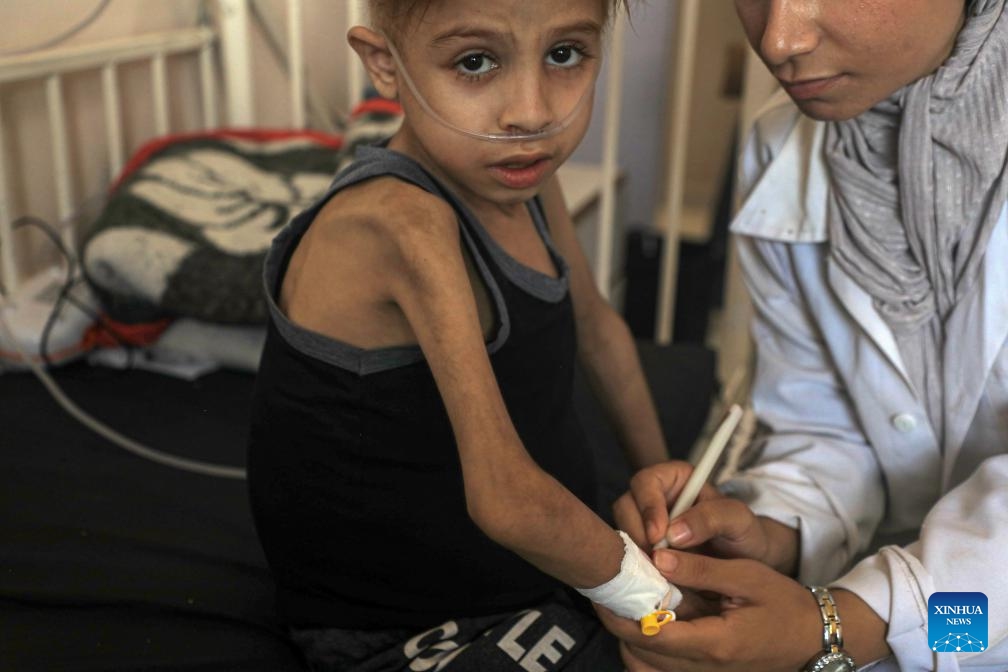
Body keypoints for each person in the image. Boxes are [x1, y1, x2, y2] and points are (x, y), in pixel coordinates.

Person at [246, 1, 679, 669]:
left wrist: (668, 509)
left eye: (565, 54)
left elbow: (597, 328)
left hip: (537, 573)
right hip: (412, 628)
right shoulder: (401, 222)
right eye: (475, 63)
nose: (532, 113)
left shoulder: (526, 178)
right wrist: (659, 596)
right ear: (385, 66)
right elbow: (505, 498)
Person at [599, 0, 1008, 670]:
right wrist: (769, 532)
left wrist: (840, 627)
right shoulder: (782, 148)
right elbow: (827, 426)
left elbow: (961, 623)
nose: (780, 39)